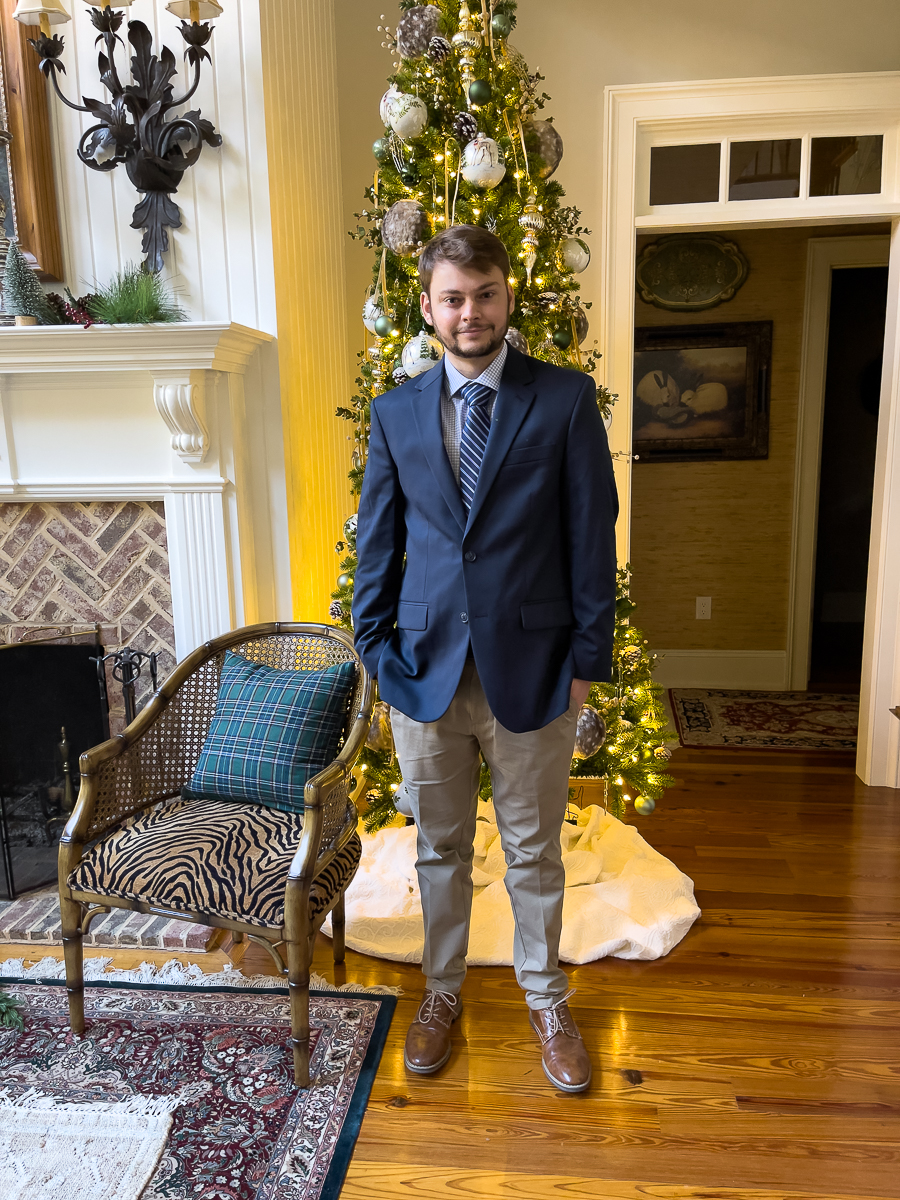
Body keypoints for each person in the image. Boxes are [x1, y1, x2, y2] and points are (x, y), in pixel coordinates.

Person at [352, 224, 618, 1093]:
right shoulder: (394, 414)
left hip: (537, 670)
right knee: (440, 847)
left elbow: (590, 537)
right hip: (424, 671)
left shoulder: (566, 401)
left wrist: (588, 660)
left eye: (486, 294)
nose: (471, 312)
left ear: (508, 297)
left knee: (536, 849)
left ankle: (547, 1001)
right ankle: (440, 993)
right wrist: (375, 651)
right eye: (453, 298)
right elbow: (379, 545)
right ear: (427, 308)